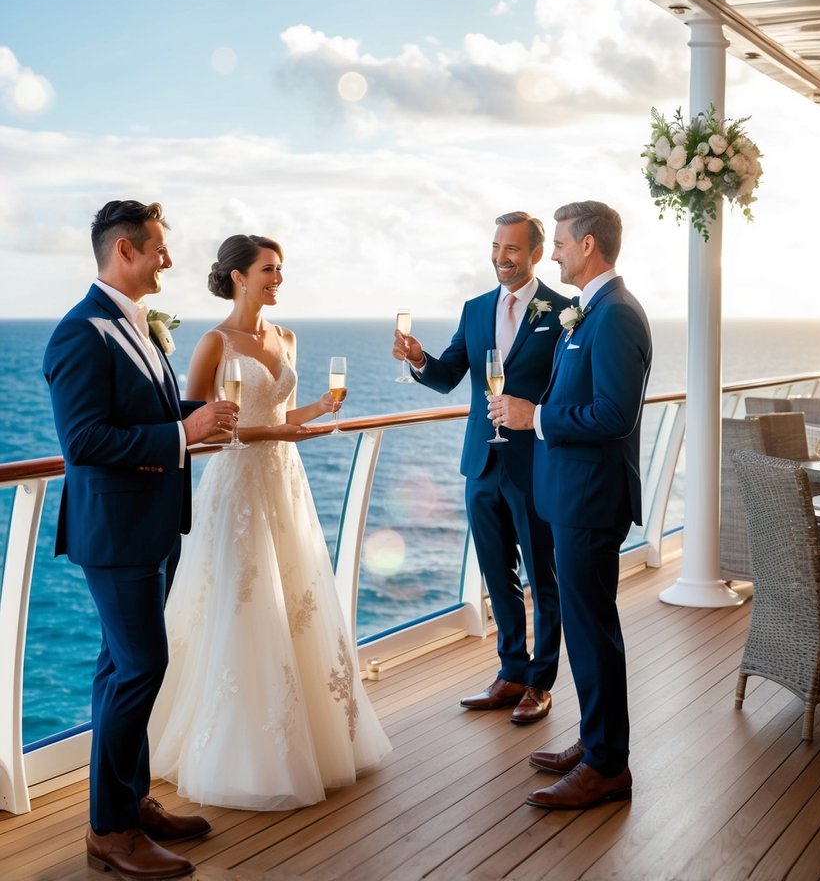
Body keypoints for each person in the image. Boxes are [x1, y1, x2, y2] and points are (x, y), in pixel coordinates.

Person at [149, 234, 391, 810]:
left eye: (280, 269)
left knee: (296, 602)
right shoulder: (213, 343)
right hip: (237, 489)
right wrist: (275, 431)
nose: (277, 278)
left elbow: (283, 413)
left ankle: (308, 738)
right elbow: (202, 426)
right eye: (268, 270)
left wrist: (319, 411)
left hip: (285, 481)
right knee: (240, 606)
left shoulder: (287, 337)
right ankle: (235, 752)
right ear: (238, 276)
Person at [43, 200, 235, 881]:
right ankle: (109, 831)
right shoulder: (79, 333)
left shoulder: (137, 327)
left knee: (118, 669)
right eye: (159, 249)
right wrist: (186, 432)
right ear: (125, 250)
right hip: (117, 533)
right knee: (140, 669)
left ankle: (130, 800)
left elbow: (143, 409)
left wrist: (197, 415)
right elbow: (85, 441)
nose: (168, 261)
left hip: (152, 523)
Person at [489, 201, 652, 810]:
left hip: (590, 499)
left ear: (588, 246)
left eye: (558, 242)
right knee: (587, 630)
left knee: (592, 633)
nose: (552, 251)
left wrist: (536, 417)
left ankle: (608, 765)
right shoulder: (591, 312)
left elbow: (615, 414)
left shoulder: (616, 317)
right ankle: (594, 741)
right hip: (571, 495)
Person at [392, 211, 570, 723]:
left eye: (511, 250)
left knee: (543, 575)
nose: (500, 258)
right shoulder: (474, 309)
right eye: (495, 248)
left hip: (535, 463)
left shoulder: (563, 312)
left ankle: (541, 681)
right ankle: (510, 672)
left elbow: (567, 386)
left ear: (535, 253)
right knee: (497, 574)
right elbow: (448, 376)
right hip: (481, 462)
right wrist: (420, 358)